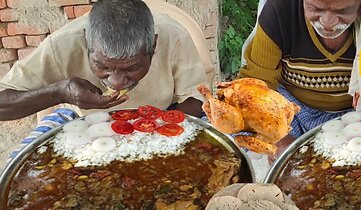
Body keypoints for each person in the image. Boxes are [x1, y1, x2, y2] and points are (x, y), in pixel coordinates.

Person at [240, 0, 361, 156]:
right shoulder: (280, 8)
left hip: (358, 112)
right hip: (292, 110)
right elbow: (254, 88)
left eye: (343, 11)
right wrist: (278, 139)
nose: (327, 22)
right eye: (315, 8)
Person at [0, 0, 208, 121]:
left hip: (162, 114)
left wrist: (156, 128)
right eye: (102, 66)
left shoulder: (173, 36)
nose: (116, 82)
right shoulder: (62, 44)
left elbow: (197, 99)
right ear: (86, 41)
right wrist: (59, 92)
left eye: (133, 67)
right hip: (80, 119)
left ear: (153, 46)